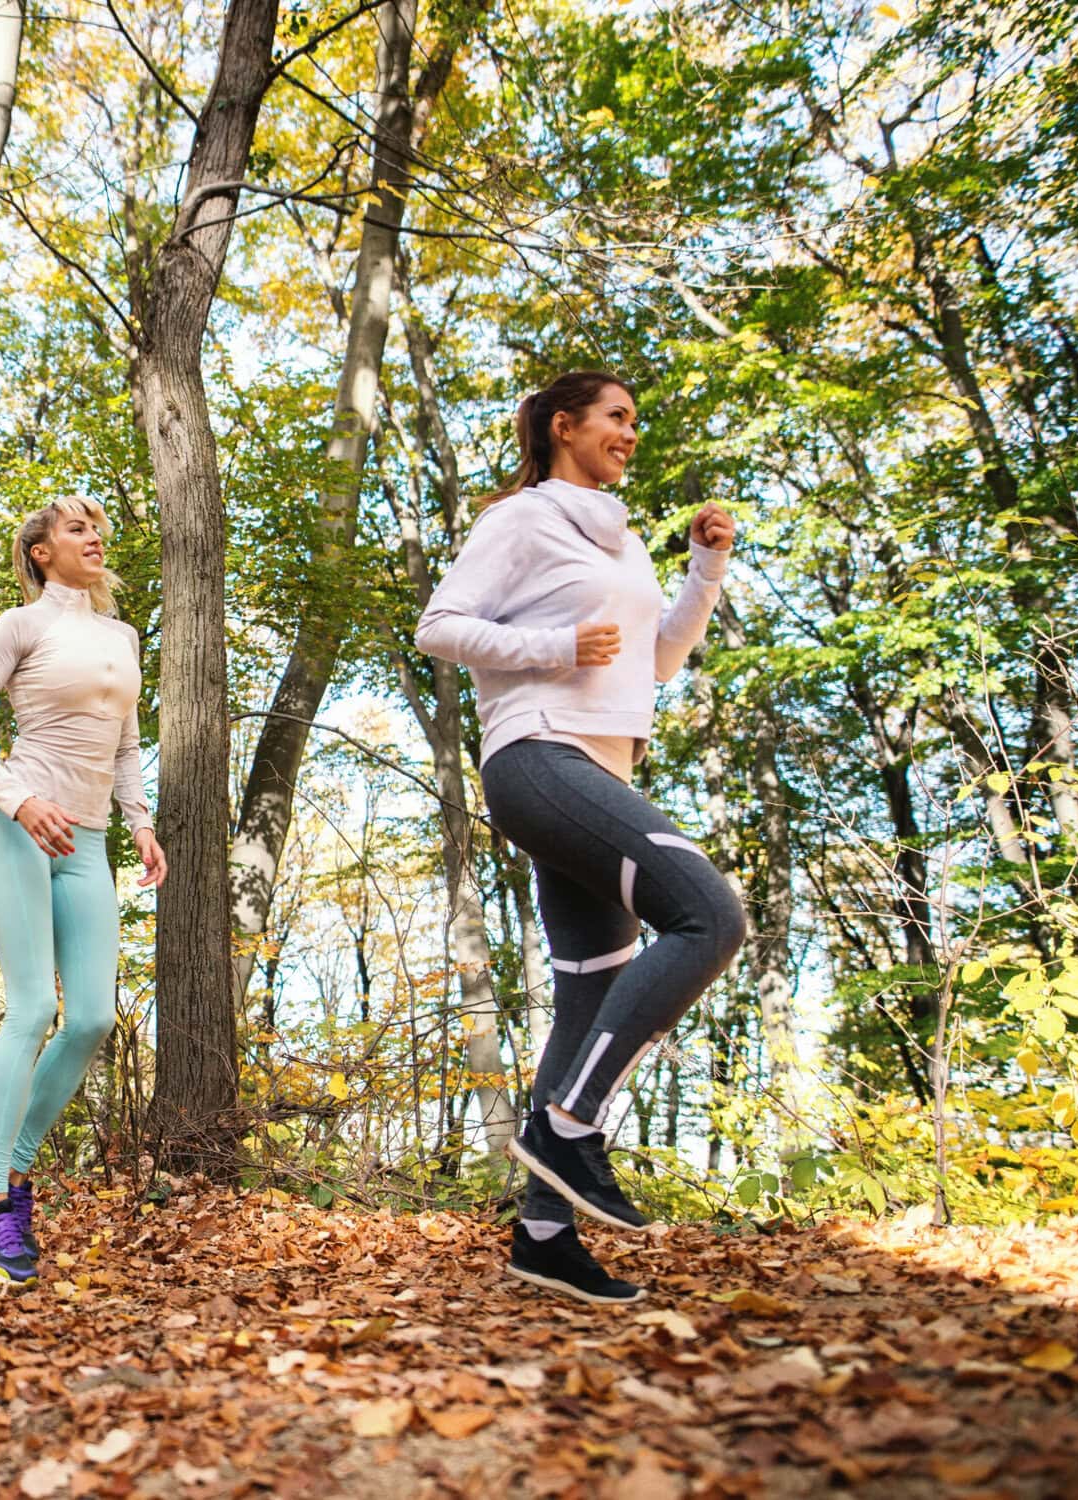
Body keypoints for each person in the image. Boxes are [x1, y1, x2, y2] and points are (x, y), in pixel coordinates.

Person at [413, 370, 746, 1305]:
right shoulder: (521, 518)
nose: (629, 433)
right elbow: (439, 626)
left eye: (634, 421)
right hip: (537, 757)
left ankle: (543, 1238)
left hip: (602, 770)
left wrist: (705, 570)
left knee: (587, 996)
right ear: (564, 426)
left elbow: (655, 663)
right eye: (616, 417)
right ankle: (567, 1127)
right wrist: (552, 649)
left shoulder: (623, 540)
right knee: (710, 917)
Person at [0, 497, 166, 1287]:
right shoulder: (19, 626)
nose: (94, 536)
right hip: (21, 825)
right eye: (76, 528)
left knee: (93, 1017)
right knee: (34, 1006)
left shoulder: (120, 636)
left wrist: (140, 822)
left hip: (89, 839)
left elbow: (126, 744)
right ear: (41, 552)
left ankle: (8, 1175)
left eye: (96, 527)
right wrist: (19, 801)